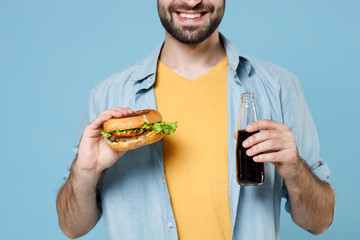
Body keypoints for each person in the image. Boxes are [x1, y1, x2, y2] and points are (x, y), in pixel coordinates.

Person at [56, 0, 335, 239]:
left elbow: (319, 221)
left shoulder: (279, 87)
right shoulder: (108, 96)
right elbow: (72, 228)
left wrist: (296, 170)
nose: (191, 2)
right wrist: (85, 173)